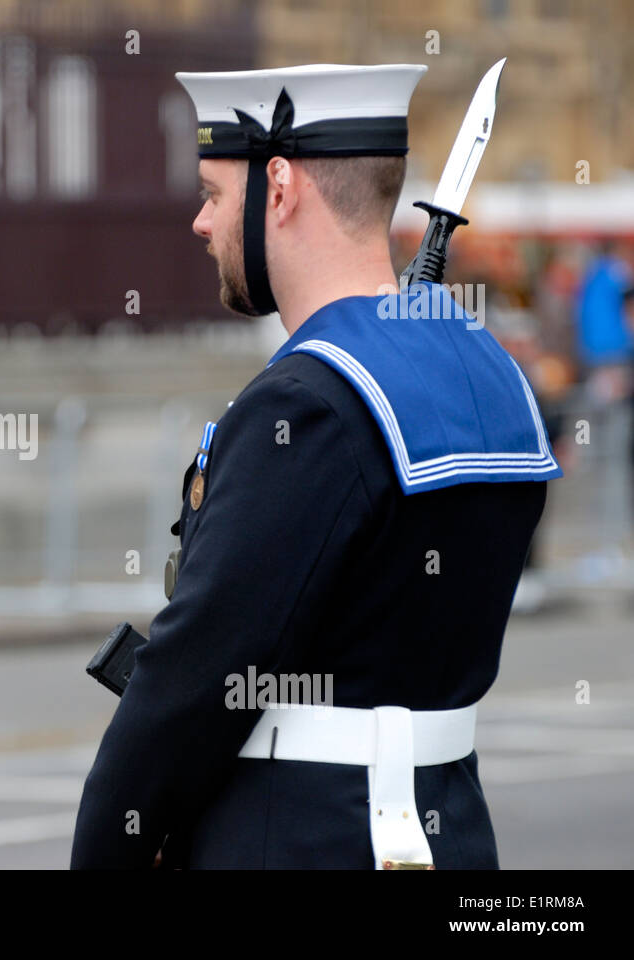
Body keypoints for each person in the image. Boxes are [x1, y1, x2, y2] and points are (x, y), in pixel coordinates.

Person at [71, 64, 562, 869]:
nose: (199, 222)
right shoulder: (490, 371)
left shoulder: (307, 406)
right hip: (452, 836)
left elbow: (188, 690)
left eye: (213, 194)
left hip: (292, 838)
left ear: (281, 186)